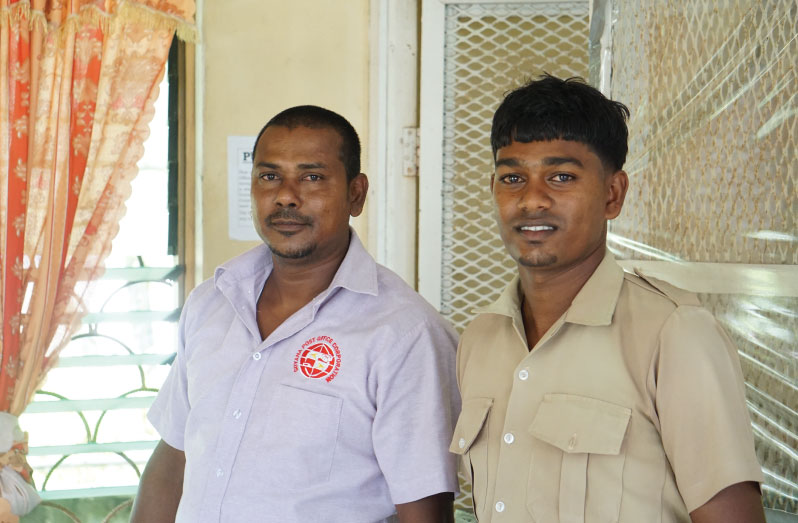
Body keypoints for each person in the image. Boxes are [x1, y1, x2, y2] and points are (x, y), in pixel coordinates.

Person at [450, 75, 765, 522]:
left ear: (612, 194)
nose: (531, 200)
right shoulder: (481, 340)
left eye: (561, 177)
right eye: (513, 177)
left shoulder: (673, 332)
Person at [131, 105, 459, 523]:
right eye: (270, 176)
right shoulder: (211, 302)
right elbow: (173, 457)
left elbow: (424, 511)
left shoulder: (406, 334)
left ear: (355, 194)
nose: (286, 195)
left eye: (312, 177)